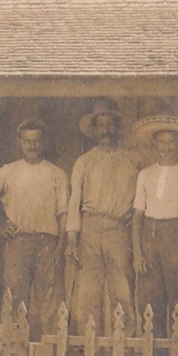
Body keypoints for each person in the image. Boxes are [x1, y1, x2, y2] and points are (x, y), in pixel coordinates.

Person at [0, 118, 69, 339]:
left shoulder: (57, 174)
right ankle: (15, 349)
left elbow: (64, 214)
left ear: (43, 142)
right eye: (27, 141)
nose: (32, 146)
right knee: (14, 296)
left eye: (36, 141)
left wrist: (60, 247)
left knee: (50, 299)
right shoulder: (9, 171)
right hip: (18, 242)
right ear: (20, 142)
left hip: (49, 243)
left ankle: (47, 353)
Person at [66, 99, 139, 333]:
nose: (106, 130)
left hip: (119, 228)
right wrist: (71, 237)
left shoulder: (131, 161)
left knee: (122, 289)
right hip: (90, 227)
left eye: (110, 124)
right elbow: (74, 200)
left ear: (116, 128)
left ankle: (124, 347)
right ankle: (88, 348)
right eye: (101, 125)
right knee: (88, 290)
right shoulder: (84, 162)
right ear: (95, 130)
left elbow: (140, 199)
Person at [130, 114, 178, 337]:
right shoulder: (145, 174)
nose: (166, 147)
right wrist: (137, 252)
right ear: (155, 144)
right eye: (161, 142)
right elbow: (137, 216)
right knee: (149, 298)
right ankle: (154, 355)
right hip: (150, 236)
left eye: (171, 142)